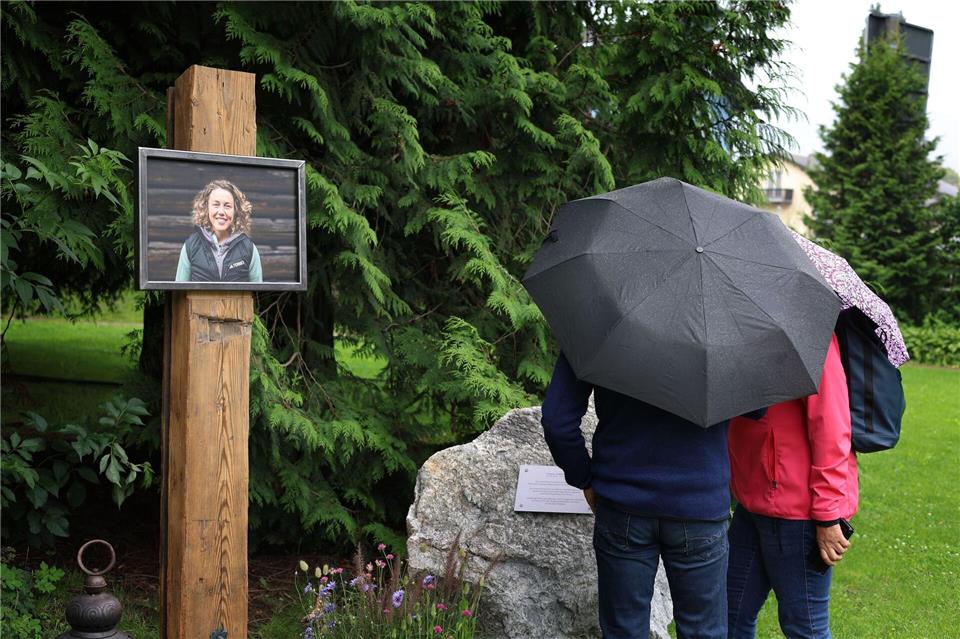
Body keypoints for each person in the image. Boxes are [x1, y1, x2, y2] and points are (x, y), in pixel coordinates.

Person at [541, 352, 765, 639]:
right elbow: (757, 409)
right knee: (704, 632)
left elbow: (557, 421)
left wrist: (584, 477)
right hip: (699, 505)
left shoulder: (599, 319)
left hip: (622, 501)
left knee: (624, 630)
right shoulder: (724, 332)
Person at [726, 334, 857, 639]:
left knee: (804, 628)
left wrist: (826, 514)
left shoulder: (809, 335)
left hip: (798, 510)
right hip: (752, 501)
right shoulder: (743, 331)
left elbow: (832, 427)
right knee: (729, 616)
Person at [175, 179, 263, 282]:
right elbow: (179, 293)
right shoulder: (190, 247)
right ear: (206, 208)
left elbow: (257, 294)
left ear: (236, 210)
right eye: (216, 205)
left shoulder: (249, 249)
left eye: (227, 206)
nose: (221, 212)